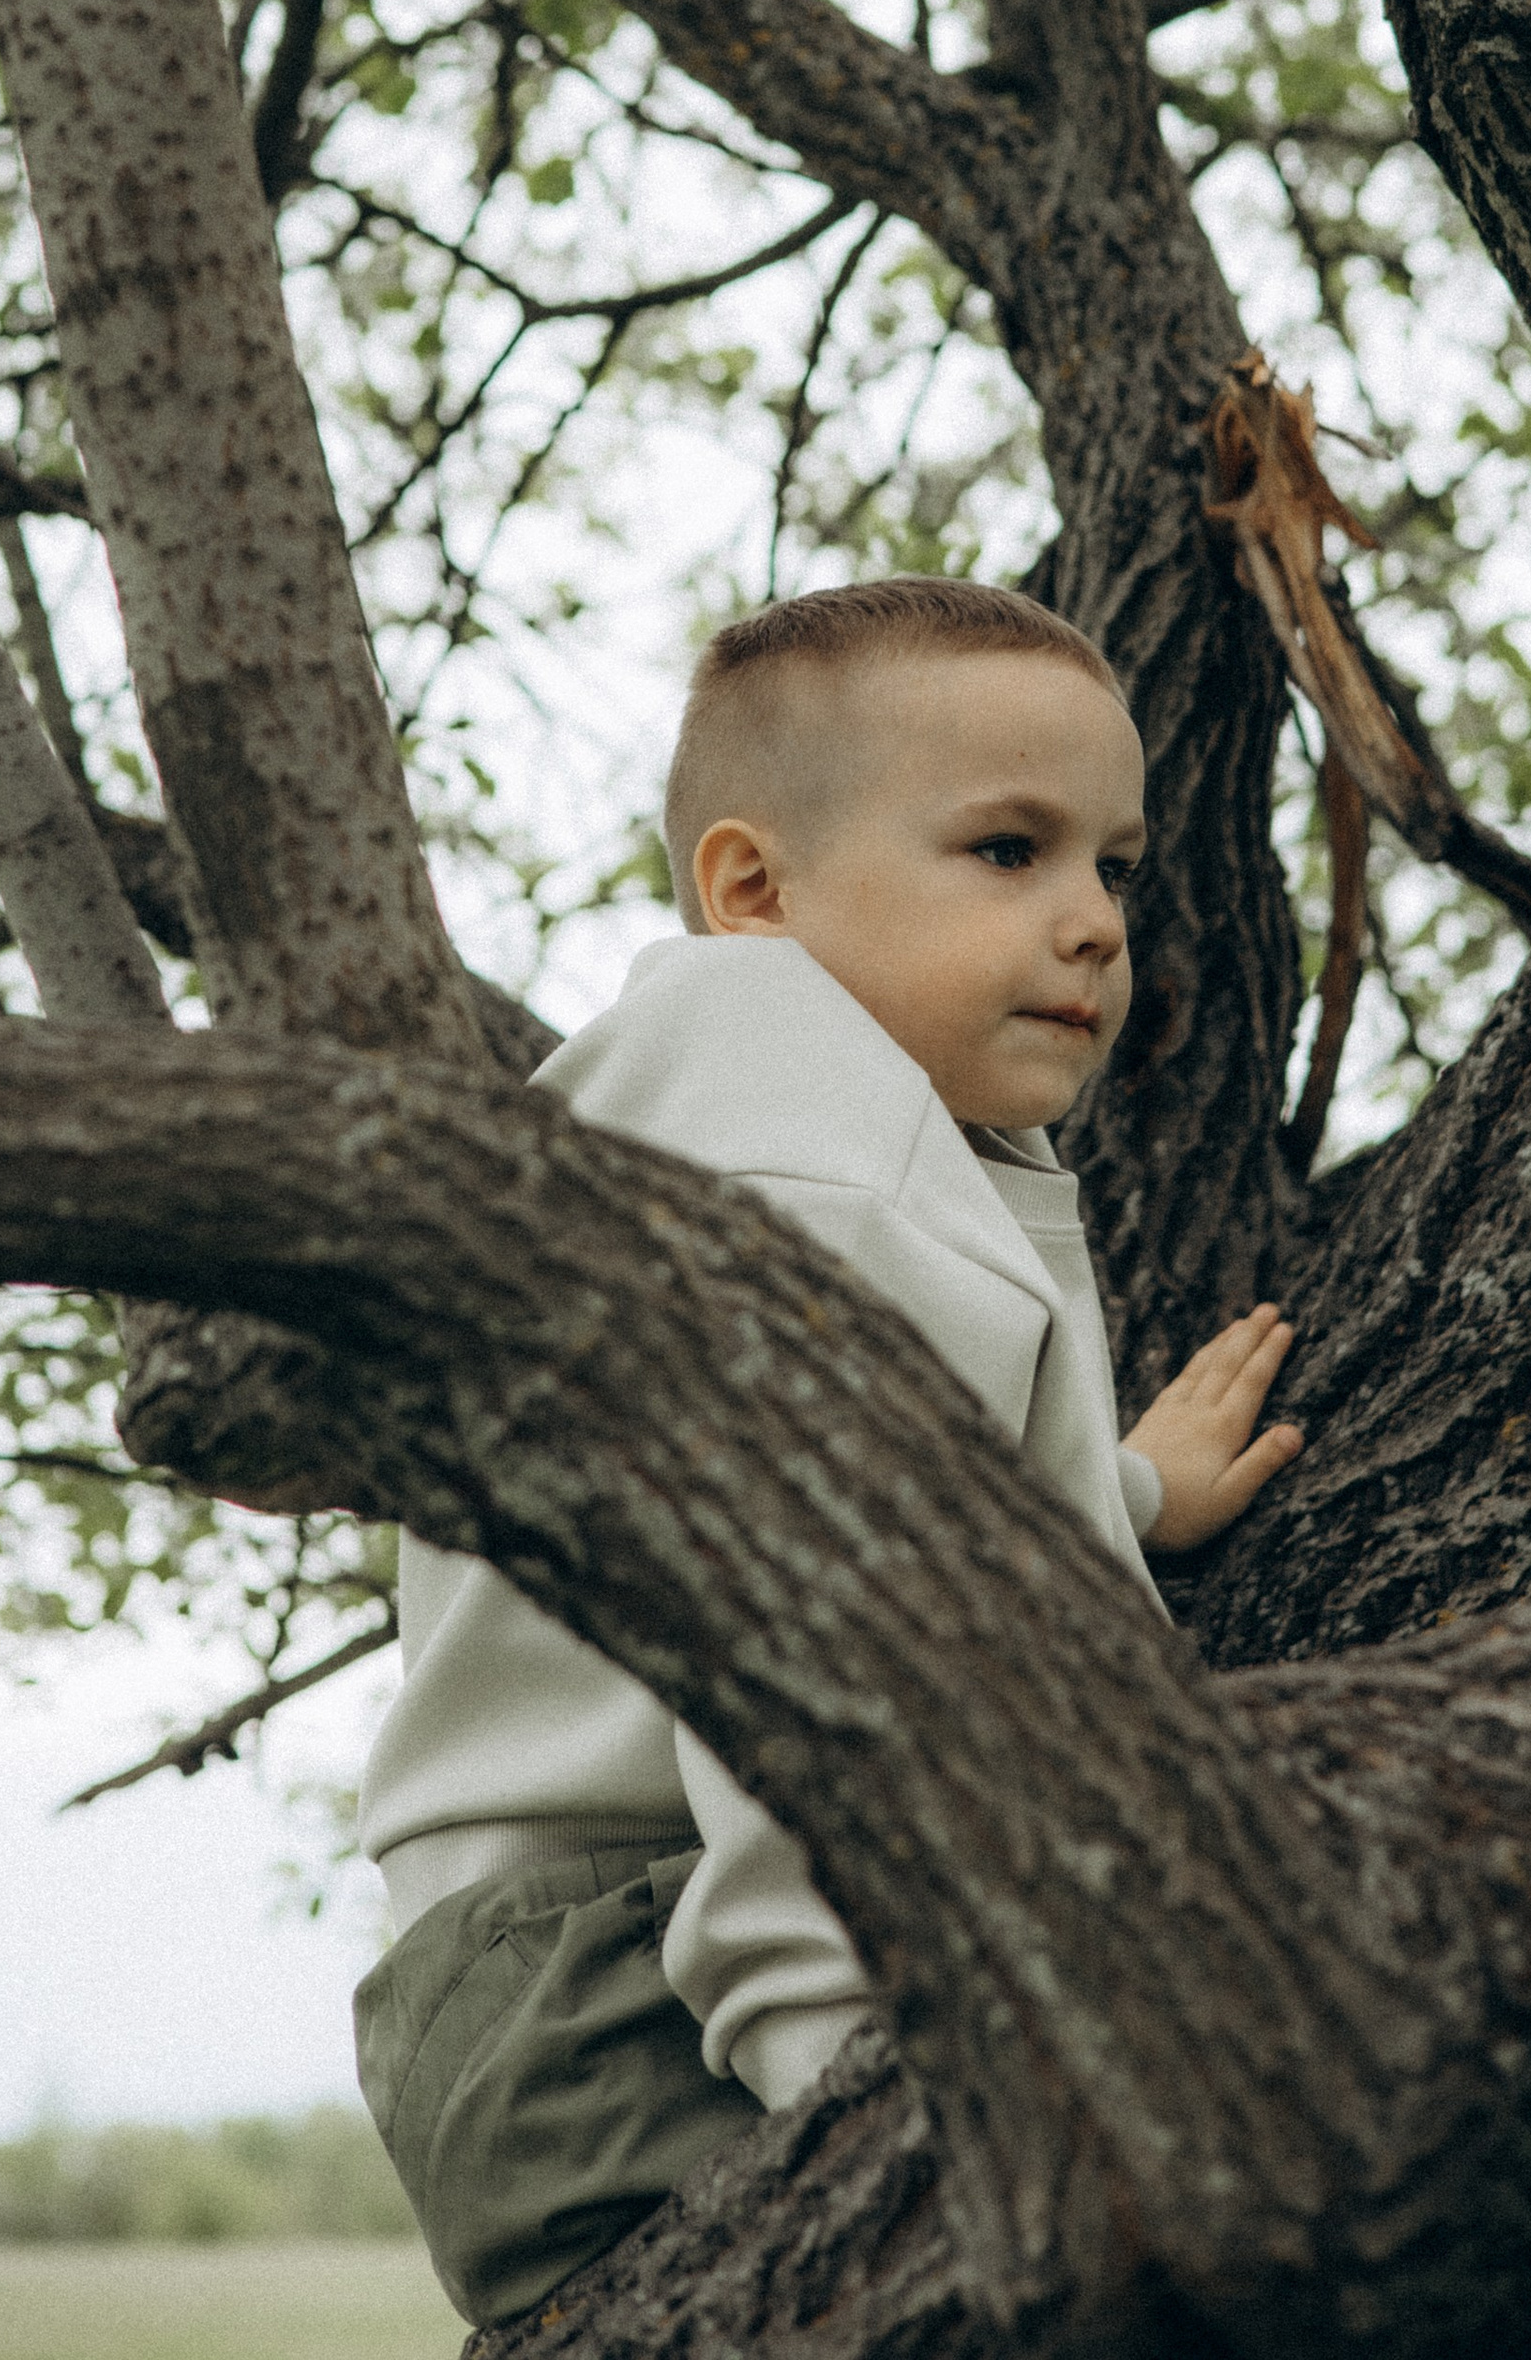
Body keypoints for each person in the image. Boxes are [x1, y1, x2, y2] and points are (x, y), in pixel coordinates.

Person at [353, 575, 1305, 2328]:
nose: (1095, 921)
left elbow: (886, 1512)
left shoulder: (794, 1135)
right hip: (653, 1972)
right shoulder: (809, 1147)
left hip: (563, 1973)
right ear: (754, 892)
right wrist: (875, 2089)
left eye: (1116, 864)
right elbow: (795, 1669)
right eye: (1008, 852)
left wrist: (1127, 1491)